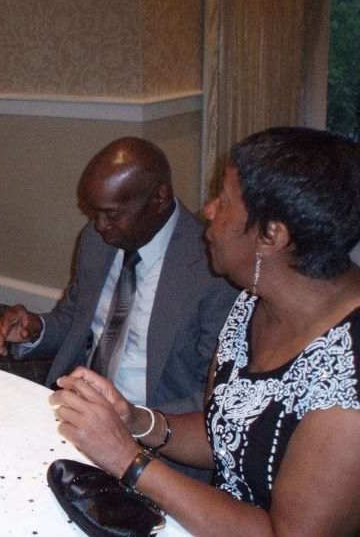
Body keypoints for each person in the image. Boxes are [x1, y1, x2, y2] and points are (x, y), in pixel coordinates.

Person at [50, 127, 360, 536]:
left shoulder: (348, 375)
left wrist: (128, 460)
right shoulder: (252, 304)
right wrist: (136, 419)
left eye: (224, 201)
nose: (208, 210)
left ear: (272, 235)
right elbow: (224, 433)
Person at [0, 138, 237, 480]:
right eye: (95, 212)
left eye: (111, 214)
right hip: (76, 414)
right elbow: (76, 319)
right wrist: (35, 330)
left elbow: (216, 400)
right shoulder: (98, 240)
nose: (99, 225)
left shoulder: (214, 266)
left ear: (159, 198)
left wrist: (136, 420)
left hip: (154, 441)